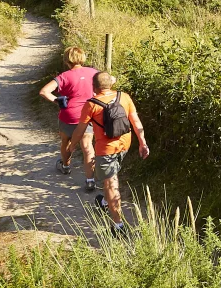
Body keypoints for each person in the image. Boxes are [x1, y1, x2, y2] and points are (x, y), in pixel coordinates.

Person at [69, 71, 149, 235]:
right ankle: (105, 202)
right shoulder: (124, 97)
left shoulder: (91, 104)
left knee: (111, 184)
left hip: (106, 150)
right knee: (111, 175)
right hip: (125, 145)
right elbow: (136, 121)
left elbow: (80, 129)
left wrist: (72, 145)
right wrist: (143, 143)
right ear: (111, 84)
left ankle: (118, 226)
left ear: (94, 87)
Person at [39, 46, 98, 191]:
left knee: (65, 141)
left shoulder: (63, 76)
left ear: (67, 60)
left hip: (68, 115)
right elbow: (109, 81)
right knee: (87, 147)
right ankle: (90, 180)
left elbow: (44, 91)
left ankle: (65, 166)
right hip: (88, 115)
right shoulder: (94, 72)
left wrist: (57, 100)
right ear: (83, 57)